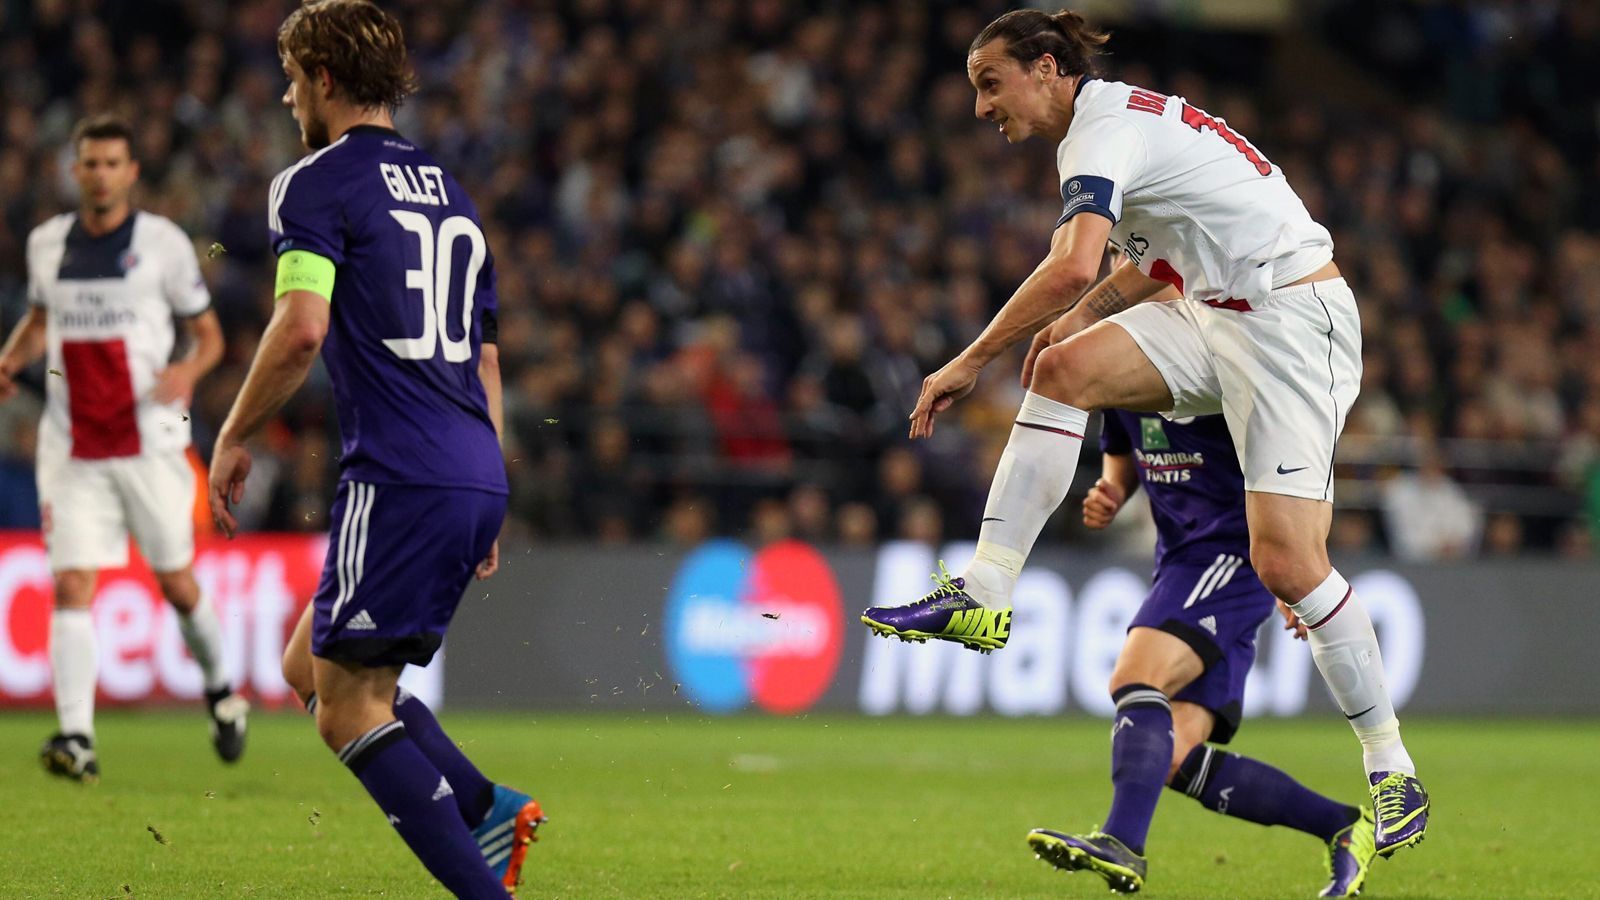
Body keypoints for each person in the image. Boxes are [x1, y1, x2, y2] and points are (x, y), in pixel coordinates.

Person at [860, 8, 1427, 856]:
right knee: (1062, 368)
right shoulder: (1113, 127)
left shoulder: (1100, 133)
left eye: (991, 83)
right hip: (1217, 312)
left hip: (1291, 321)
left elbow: (1072, 263)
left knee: (1290, 564)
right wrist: (1076, 322)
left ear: (1048, 68)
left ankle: (1392, 768)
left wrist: (968, 358)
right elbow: (1159, 259)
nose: (982, 108)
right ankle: (985, 591)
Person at [207, 2, 540, 895]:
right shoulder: (455, 198)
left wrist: (235, 432)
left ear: (321, 77)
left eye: (290, 80)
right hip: (468, 463)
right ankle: (485, 803)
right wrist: (487, 483)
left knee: (346, 708)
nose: (285, 99)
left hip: (398, 470)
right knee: (305, 668)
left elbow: (302, 327)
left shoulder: (314, 183)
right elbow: (487, 358)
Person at [1025, 409, 1376, 896]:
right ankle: (1340, 825)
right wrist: (1111, 489)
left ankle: (1121, 841)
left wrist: (1301, 571)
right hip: (1179, 564)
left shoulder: (1219, 379)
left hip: (1232, 558)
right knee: (1175, 756)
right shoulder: (1122, 374)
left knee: (1136, 678)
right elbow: (1122, 451)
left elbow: (1296, 472)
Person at [0, 115, 245, 782]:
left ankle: (222, 691)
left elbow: (211, 337)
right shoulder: (47, 243)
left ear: (132, 173)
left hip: (149, 442)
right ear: (74, 171)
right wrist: (11, 356)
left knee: (177, 583)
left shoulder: (163, 245)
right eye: (90, 163)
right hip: (72, 443)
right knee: (71, 582)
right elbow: (41, 319)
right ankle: (76, 737)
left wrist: (188, 372)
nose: (101, 174)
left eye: (113, 163)